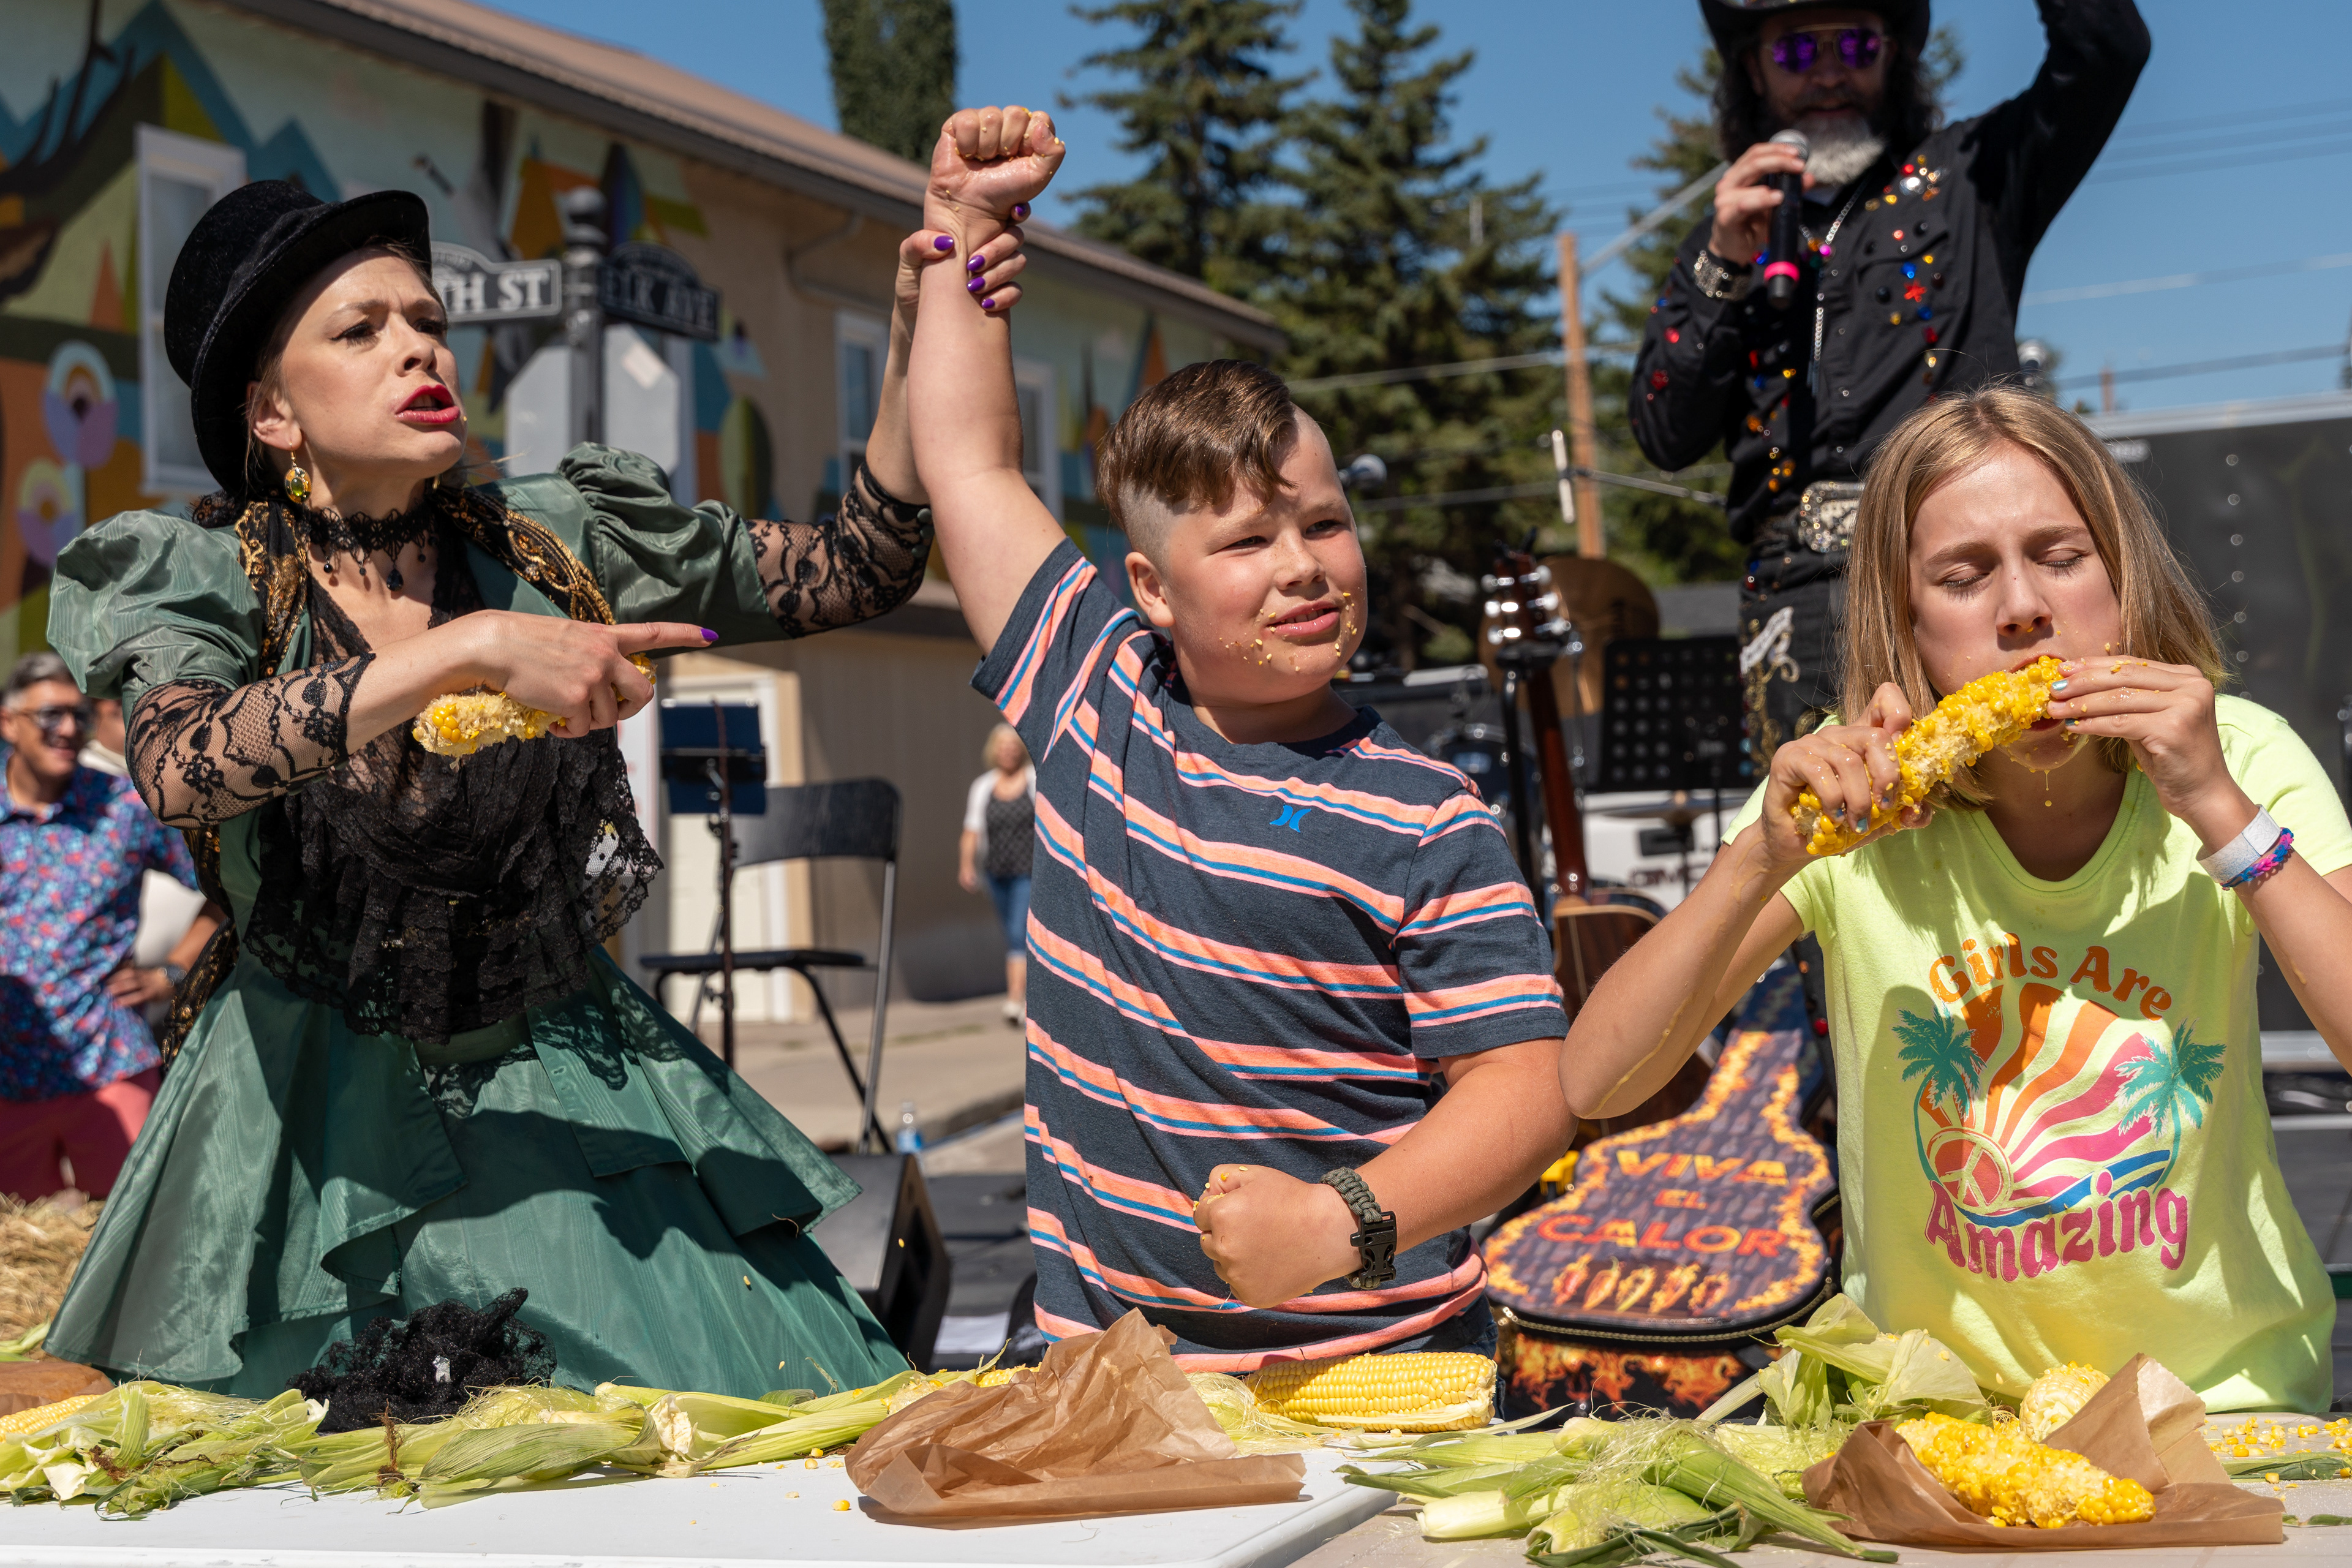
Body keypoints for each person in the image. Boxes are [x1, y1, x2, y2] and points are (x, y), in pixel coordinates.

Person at [43, 171, 1029, 1395]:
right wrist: (465, 651)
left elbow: (861, 564)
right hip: (299, 1124)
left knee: (699, 1439)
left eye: (427, 320)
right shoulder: (206, 575)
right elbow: (183, 766)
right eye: (361, 330)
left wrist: (914, 326)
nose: (417, 347)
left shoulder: (551, 538)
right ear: (274, 414)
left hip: (570, 1083)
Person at [907, 106, 1574, 1368]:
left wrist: (1342, 1219)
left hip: (1381, 1384)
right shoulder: (1091, 694)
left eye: (1323, 524)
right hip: (1113, 1383)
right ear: (1150, 590)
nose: (1304, 569)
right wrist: (965, 221)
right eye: (1248, 542)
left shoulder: (1426, 811)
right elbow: (968, 460)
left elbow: (1527, 1089)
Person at [1564, 386, 2351, 1413]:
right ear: (1907, 622)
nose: (2022, 608)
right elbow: (1599, 1084)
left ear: (2123, 580)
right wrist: (1759, 859)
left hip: (2224, 1399)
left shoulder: (2240, 757)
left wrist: (2217, 807)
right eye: (1963, 576)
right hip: (1940, 1416)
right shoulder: (1843, 805)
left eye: (2061, 557)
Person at [1635, 0, 2149, 758]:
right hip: (1795, 600)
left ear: (1895, 54)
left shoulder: (1973, 177)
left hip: (1953, 581)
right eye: (1796, 54)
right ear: (1752, 68)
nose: (1831, 71)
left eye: (1854, 42)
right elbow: (1664, 433)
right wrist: (1721, 266)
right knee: (1825, 844)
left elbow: (2107, 49)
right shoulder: (1727, 239)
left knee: (1976, 823)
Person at [0, 654, 222, 1202]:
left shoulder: (123, 806)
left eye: (78, 713)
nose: (70, 728)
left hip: (110, 1062)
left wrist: (174, 973)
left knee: (136, 1238)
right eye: (50, 715)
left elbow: (228, 890)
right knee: (18, 1264)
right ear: (9, 724)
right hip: (7, 1079)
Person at [960, 722, 1035, 1025]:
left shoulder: (1033, 780)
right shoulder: (983, 787)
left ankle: (1015, 999)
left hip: (1029, 871)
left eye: (1013, 746)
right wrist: (966, 865)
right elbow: (971, 830)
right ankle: (1025, 995)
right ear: (994, 751)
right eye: (1003, 747)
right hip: (996, 872)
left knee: (1019, 933)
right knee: (1012, 935)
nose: (1008, 752)